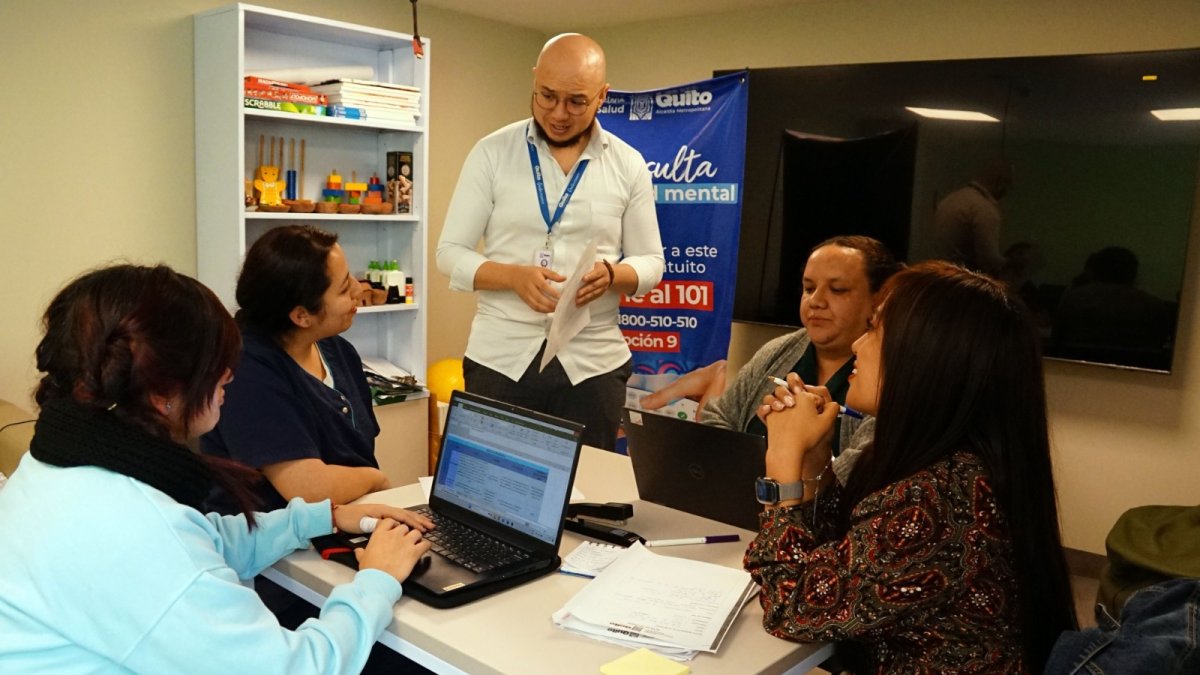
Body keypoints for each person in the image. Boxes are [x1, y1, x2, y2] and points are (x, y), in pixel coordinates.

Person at [0, 264, 433, 673]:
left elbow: (207, 539)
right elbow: (301, 667)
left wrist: (323, 517)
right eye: (217, 366)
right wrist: (376, 579)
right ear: (163, 393)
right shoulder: (136, 535)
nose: (230, 375)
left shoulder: (56, 471)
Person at [745, 261, 1077, 672]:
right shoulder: (949, 464)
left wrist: (781, 464)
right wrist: (814, 458)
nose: (857, 346)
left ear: (926, 359)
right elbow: (846, 560)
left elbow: (794, 611)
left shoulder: (937, 497)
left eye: (875, 330)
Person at [436, 33, 664, 451]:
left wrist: (615, 274)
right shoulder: (491, 153)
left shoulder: (628, 164)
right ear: (534, 81)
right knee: (492, 491)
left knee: (587, 495)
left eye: (577, 101)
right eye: (547, 96)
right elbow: (449, 254)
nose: (559, 113)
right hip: (501, 358)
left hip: (592, 363)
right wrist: (513, 277)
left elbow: (652, 261)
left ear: (602, 97)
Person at [648, 236, 896, 459]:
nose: (816, 301)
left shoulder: (887, 375)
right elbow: (717, 417)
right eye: (808, 288)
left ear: (879, 300)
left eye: (837, 290)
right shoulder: (777, 352)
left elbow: (866, 476)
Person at [202, 225, 388, 512]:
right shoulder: (246, 370)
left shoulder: (338, 351)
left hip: (347, 520)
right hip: (271, 544)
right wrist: (375, 479)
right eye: (342, 288)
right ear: (302, 315)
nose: (358, 288)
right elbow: (309, 490)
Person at [932, 158, 1013, 275]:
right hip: (964, 281)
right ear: (1000, 182)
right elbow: (988, 260)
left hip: (940, 275)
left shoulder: (950, 199)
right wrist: (1013, 266)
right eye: (1008, 185)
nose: (1008, 191)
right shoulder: (985, 209)